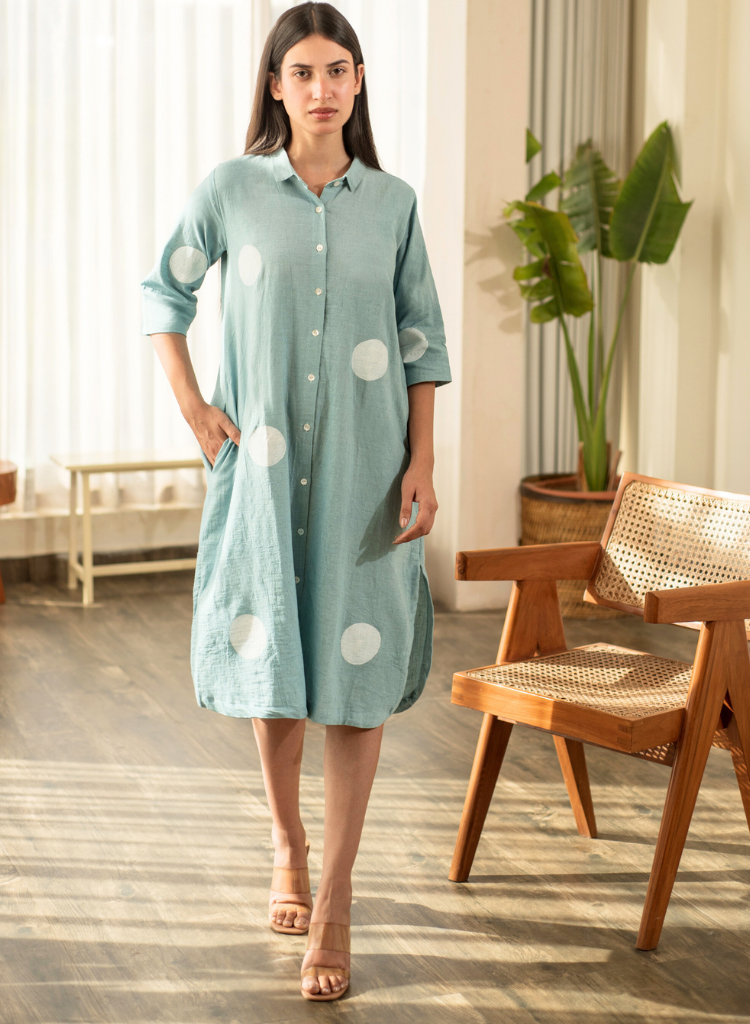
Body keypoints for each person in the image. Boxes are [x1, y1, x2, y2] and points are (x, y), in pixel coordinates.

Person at [141, 1, 451, 1002]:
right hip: (263, 472)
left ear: (359, 83)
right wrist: (194, 407)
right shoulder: (233, 189)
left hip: (369, 474)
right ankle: (287, 843)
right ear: (276, 86)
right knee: (274, 659)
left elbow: (421, 341)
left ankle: (337, 898)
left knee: (355, 678)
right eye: (304, 72)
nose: (322, 89)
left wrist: (423, 459)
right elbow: (163, 294)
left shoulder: (394, 204)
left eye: (338, 70)